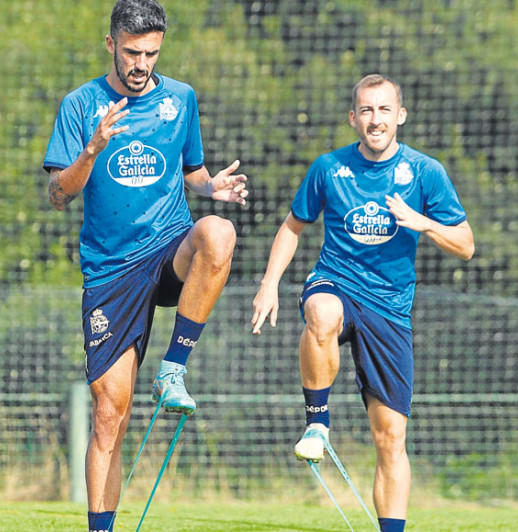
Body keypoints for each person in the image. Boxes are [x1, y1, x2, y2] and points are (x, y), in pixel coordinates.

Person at [43, 1, 248, 530]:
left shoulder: (180, 99)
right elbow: (57, 195)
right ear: (111, 45)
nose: (142, 64)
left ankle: (174, 368)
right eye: (132, 52)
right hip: (111, 271)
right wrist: (91, 150)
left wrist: (212, 187)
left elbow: (194, 172)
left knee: (219, 234)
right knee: (110, 416)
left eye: (151, 53)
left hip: (168, 248)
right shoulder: (80, 104)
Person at [251, 74, 474, 532]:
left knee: (390, 440)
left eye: (384, 110)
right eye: (367, 110)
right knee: (321, 312)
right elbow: (293, 226)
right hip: (336, 283)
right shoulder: (329, 168)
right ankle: (317, 423)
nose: (376, 119)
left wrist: (421, 222)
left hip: (390, 308)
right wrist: (269, 283)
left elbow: (467, 244)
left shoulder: (426, 172)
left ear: (401, 116)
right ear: (354, 118)